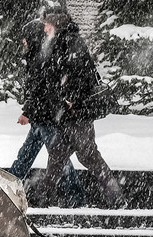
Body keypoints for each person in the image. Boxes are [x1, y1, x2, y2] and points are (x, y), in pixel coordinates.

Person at [37, 8, 126, 208]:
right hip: (67, 114)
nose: (44, 29)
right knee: (57, 156)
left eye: (46, 24)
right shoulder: (62, 41)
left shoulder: (70, 41)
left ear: (55, 22)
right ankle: (43, 198)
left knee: (89, 157)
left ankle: (116, 198)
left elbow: (79, 74)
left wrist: (71, 100)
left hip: (76, 114)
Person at [11, 20, 87, 208]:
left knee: (57, 157)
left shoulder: (41, 58)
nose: (23, 41)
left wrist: (27, 112)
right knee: (27, 156)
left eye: (25, 37)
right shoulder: (40, 55)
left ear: (32, 38)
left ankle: (76, 196)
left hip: (45, 117)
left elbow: (40, 89)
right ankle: (9, 185)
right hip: (42, 117)